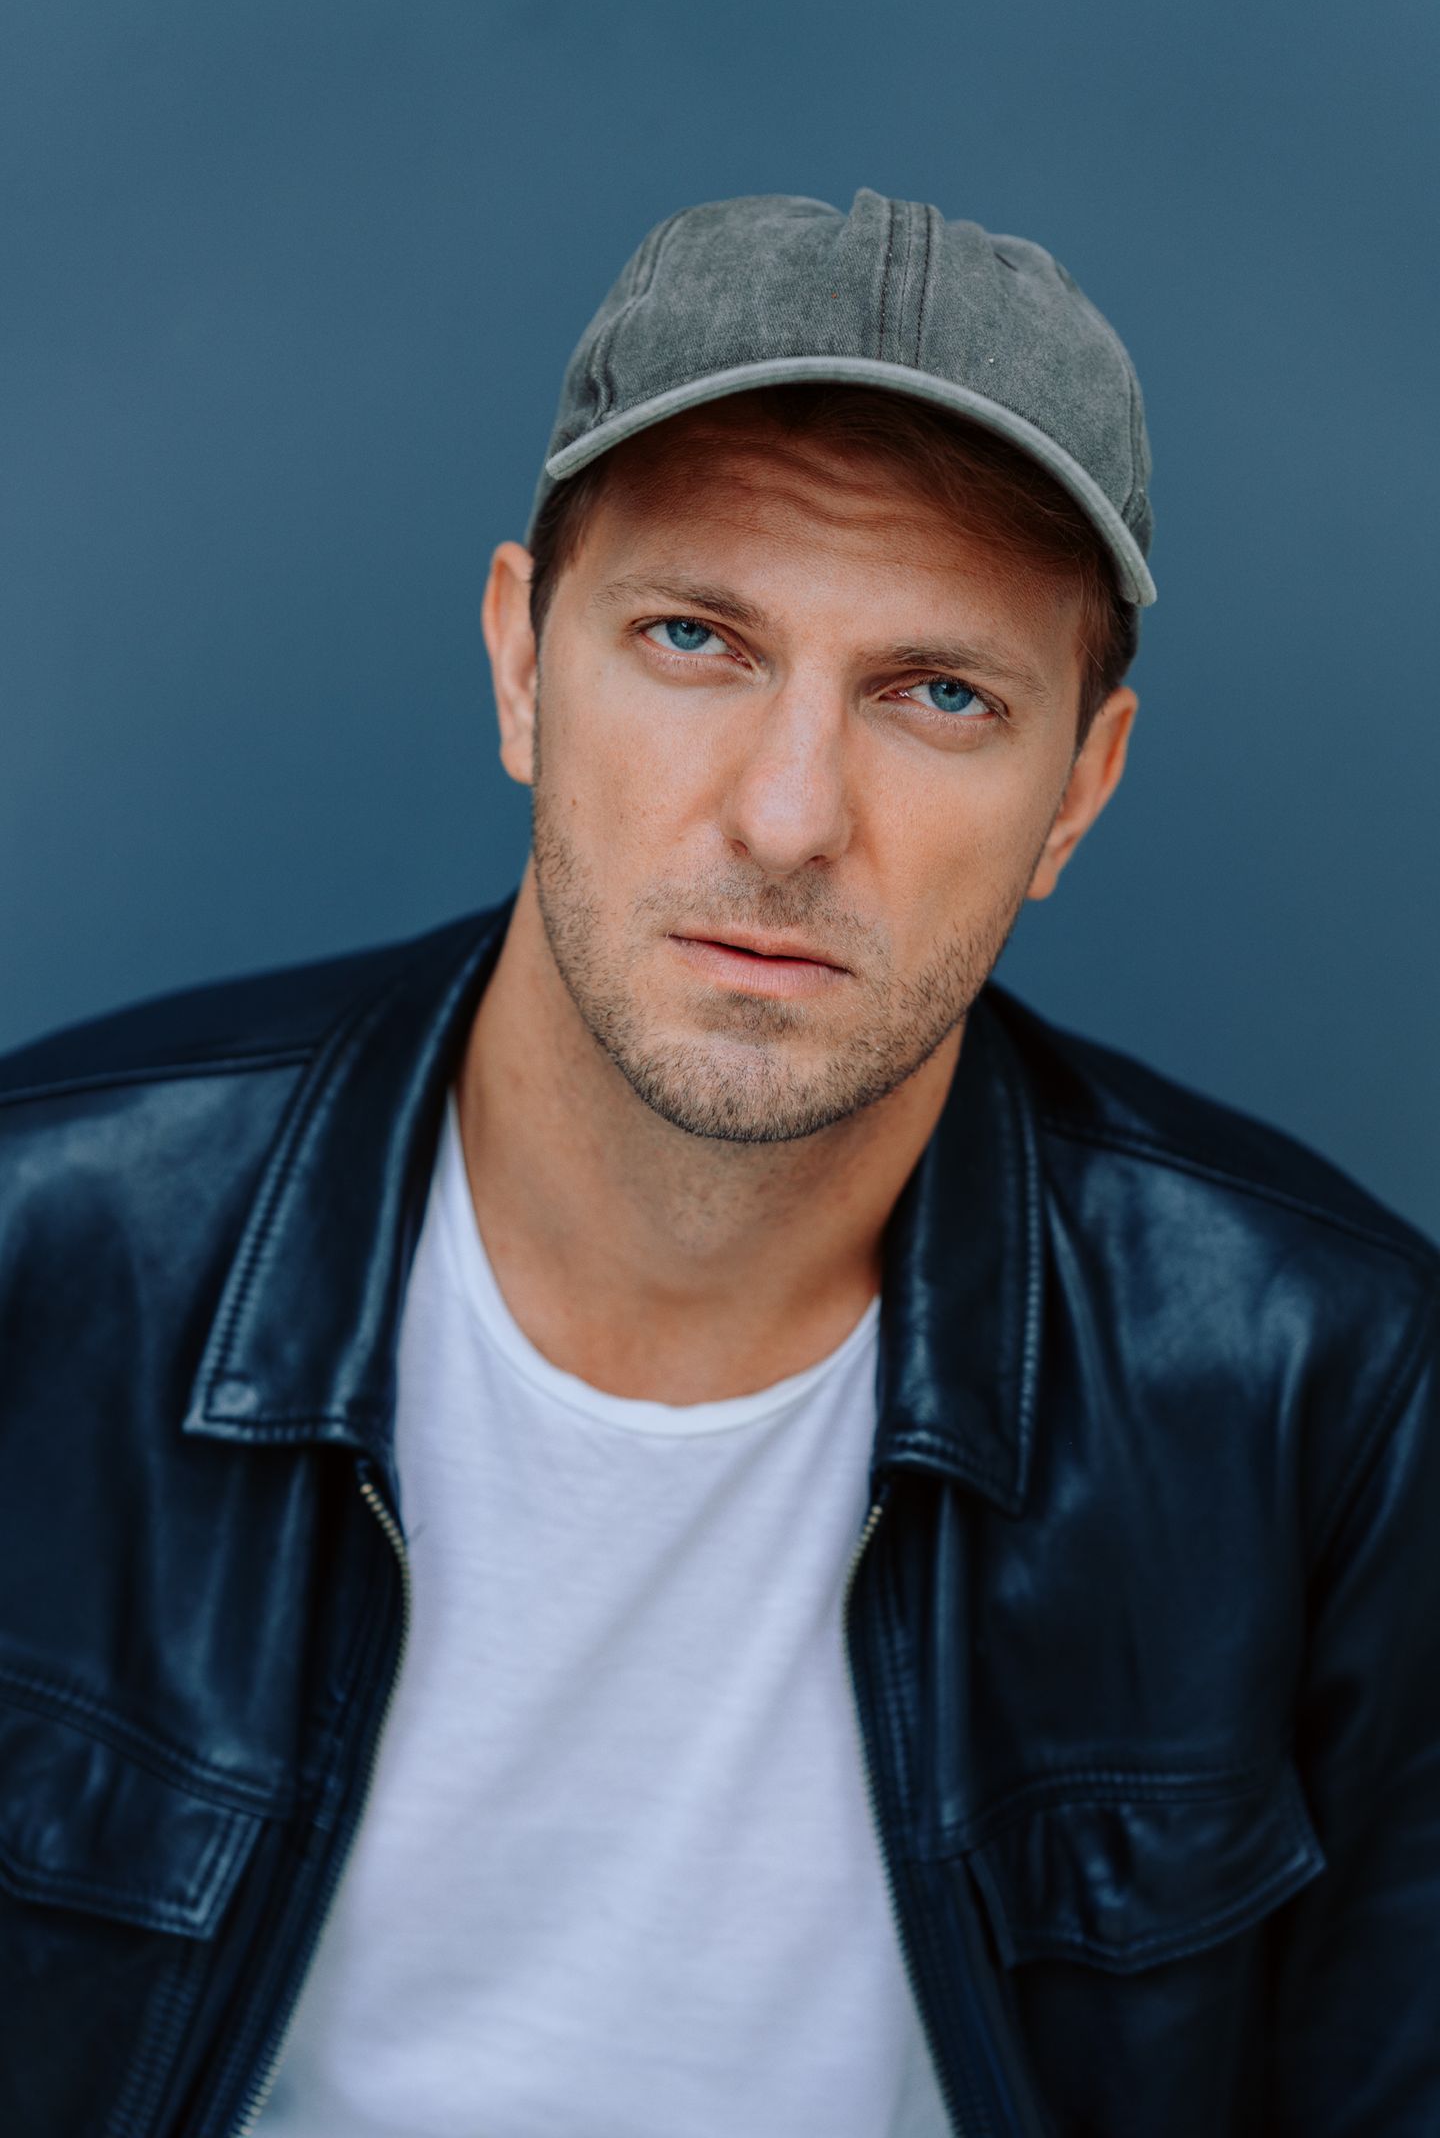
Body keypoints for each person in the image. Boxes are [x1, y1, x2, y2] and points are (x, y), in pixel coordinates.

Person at [0, 188, 1435, 2138]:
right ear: (522, 665)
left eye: (941, 695)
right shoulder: (47, 1257)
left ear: (1076, 794)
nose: (785, 817)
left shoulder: (1328, 1399)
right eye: (695, 638)